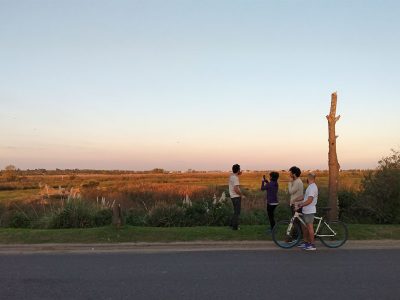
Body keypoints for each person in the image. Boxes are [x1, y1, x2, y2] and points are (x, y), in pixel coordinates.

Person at [294, 173, 318, 251]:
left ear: (309, 178)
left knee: (310, 227)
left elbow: (310, 200)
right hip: (306, 210)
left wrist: (301, 205)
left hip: (309, 210)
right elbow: (304, 196)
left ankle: (312, 245)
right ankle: (306, 242)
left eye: (307, 178)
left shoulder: (312, 188)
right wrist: (295, 199)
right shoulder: (310, 187)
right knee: (305, 227)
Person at [228, 164, 245, 230]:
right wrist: (242, 195)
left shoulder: (231, 176)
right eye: (239, 169)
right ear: (238, 170)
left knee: (235, 211)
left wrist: (238, 173)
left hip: (232, 196)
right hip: (236, 197)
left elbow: (234, 174)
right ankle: (235, 227)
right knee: (237, 212)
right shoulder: (235, 178)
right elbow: (236, 189)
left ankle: (231, 224)